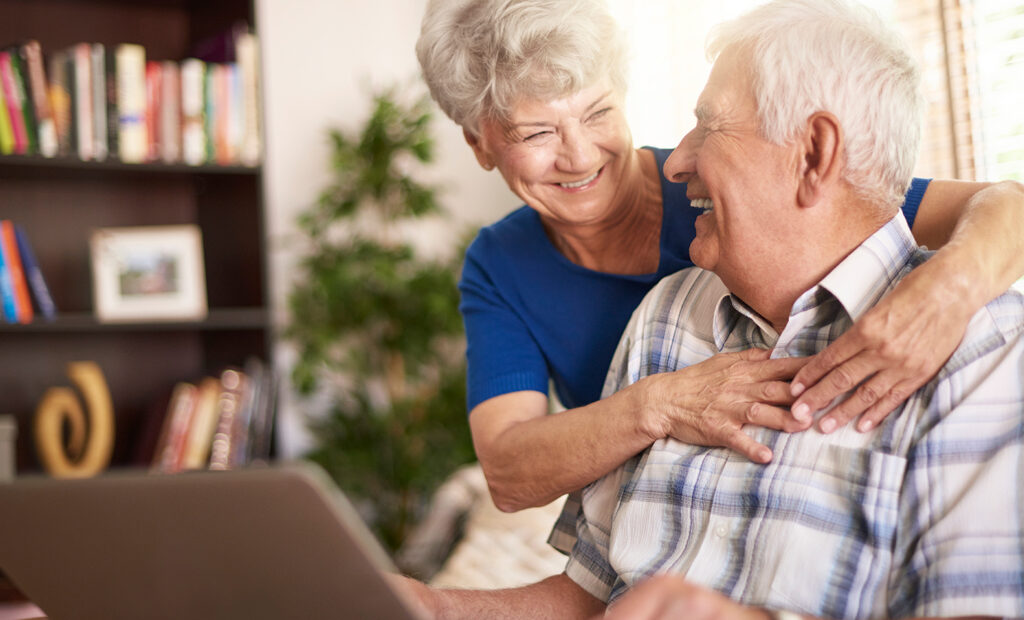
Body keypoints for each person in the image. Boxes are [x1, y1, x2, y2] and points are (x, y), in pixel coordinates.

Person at [400, 1, 1024, 617]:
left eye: (597, 114)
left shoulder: (975, 348)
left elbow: (922, 201)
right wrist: (430, 607)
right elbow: (577, 572)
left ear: (811, 155)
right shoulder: (660, 312)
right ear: (480, 144)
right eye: (536, 132)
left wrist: (953, 290)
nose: (581, 156)